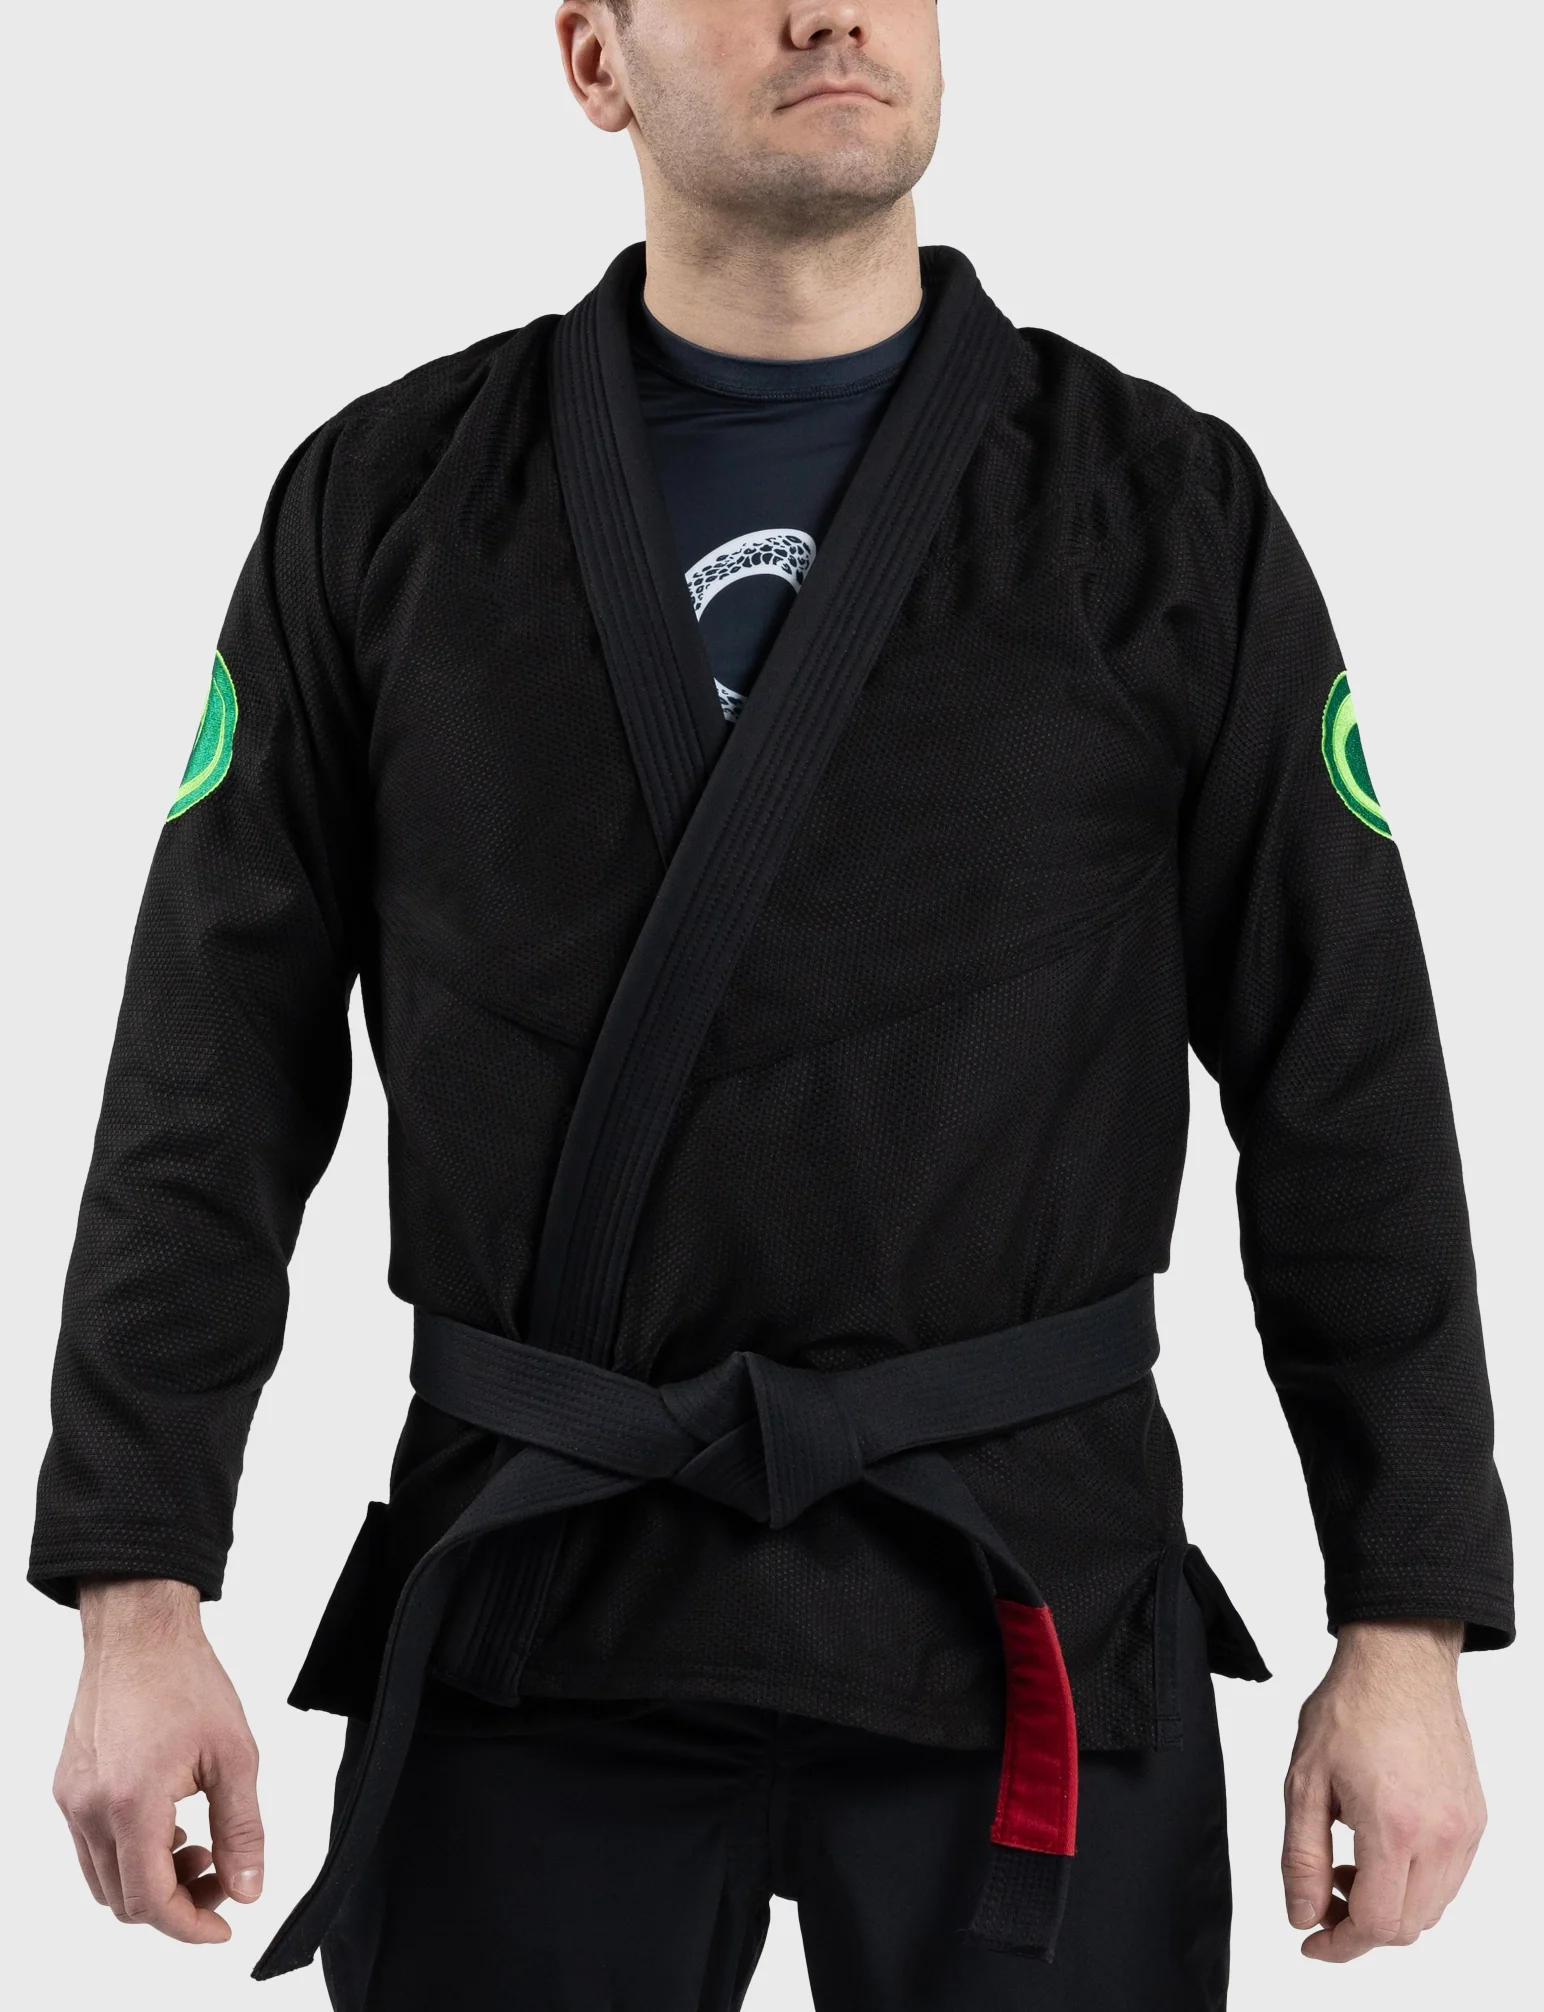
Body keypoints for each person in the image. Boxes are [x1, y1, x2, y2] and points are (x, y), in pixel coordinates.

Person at [32, 5, 1512, 2009]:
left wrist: (1405, 1620)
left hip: (1025, 1593)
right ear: (595, 61)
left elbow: (1347, 1086)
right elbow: (205, 1081)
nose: (831, 9)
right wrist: (136, 1590)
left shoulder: (1157, 507)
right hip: (543, 1606)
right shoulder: (391, 502)